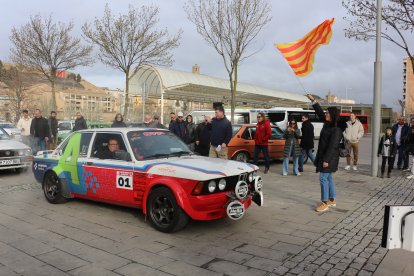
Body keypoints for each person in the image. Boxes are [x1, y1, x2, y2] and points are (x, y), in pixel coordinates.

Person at [306, 94, 342, 213]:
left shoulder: (336, 130)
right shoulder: (328, 124)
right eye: (326, 113)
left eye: (328, 113)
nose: (325, 114)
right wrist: (314, 101)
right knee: (329, 178)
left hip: (329, 158)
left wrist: (326, 160)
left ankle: (324, 202)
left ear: (332, 116)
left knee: (323, 178)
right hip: (325, 157)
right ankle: (332, 200)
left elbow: (333, 147)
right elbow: (320, 113)